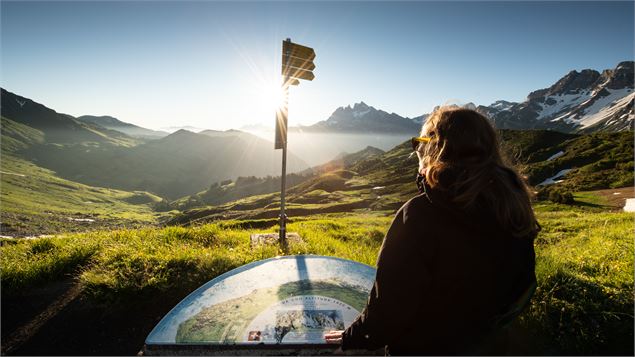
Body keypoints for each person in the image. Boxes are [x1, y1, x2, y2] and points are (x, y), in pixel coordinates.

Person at [324, 107, 539, 355]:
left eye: (420, 143)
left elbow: (390, 308)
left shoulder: (420, 214)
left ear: (435, 149)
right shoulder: (512, 208)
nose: (417, 150)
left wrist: (355, 337)